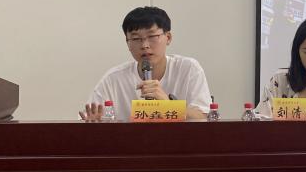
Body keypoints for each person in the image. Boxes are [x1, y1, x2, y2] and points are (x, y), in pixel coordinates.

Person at [82, 6, 211, 121]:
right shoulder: (113, 79)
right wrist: (94, 125)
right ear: (128, 43)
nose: (144, 45)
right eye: (136, 38)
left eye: (152, 36)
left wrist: (168, 104)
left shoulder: (188, 69)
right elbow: (90, 118)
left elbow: (203, 116)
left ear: (168, 38)